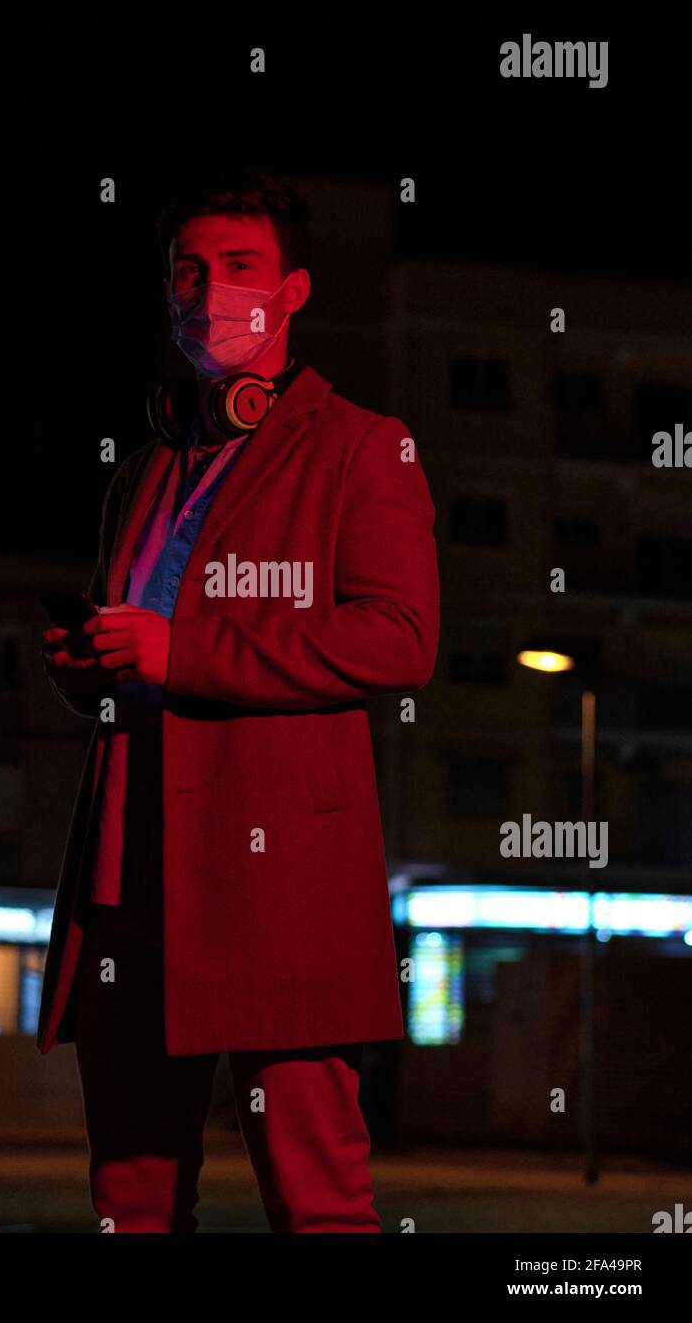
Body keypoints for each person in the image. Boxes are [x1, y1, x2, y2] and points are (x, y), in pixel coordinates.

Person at [39, 171, 440, 1233]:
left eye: (237, 267)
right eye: (186, 269)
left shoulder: (363, 444)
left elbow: (399, 638)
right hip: (128, 869)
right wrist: (89, 663)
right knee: (128, 1192)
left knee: (315, 1198)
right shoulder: (141, 469)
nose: (206, 290)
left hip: (281, 885)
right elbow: (142, 649)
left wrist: (183, 647)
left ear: (294, 290)